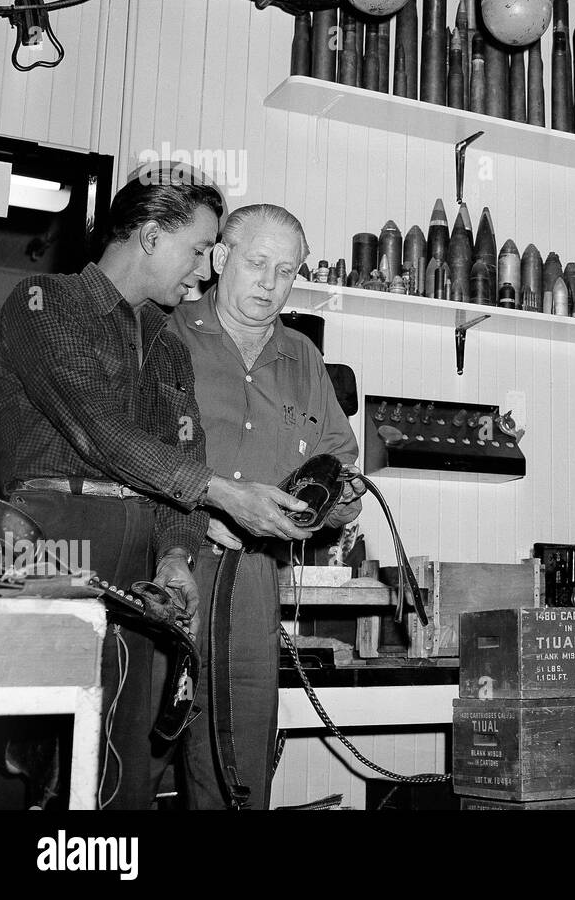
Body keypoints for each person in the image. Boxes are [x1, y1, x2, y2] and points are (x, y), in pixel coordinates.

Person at [0, 172, 312, 810]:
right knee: (43, 757)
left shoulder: (164, 346)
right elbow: (99, 433)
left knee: (119, 766)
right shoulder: (44, 302)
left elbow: (179, 457)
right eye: (199, 250)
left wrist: (172, 555)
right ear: (151, 235)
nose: (203, 270)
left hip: (139, 559)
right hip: (55, 545)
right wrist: (222, 493)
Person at [169, 203, 362, 810]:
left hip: (254, 576)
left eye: (286, 270)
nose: (270, 283)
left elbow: (339, 464)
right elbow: (125, 453)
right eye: (257, 264)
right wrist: (204, 513)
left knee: (239, 762)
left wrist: (336, 500)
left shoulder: (302, 355)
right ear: (221, 259)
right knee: (136, 746)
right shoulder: (164, 330)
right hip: (164, 558)